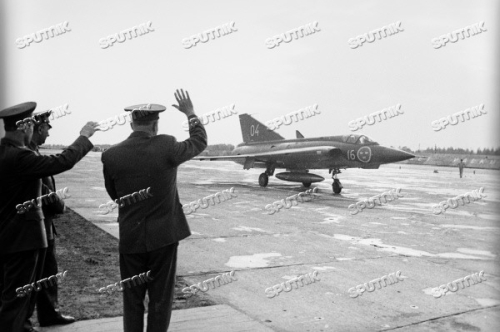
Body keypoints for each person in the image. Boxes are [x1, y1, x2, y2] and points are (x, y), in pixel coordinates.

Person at [101, 89, 207, 332]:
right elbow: (199, 142)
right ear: (155, 124)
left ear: (132, 123)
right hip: (164, 238)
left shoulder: (110, 155)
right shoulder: (167, 145)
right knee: (160, 299)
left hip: (131, 238)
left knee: (132, 300)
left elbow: (114, 194)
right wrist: (190, 113)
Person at [0, 102, 99, 332]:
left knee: (10, 296)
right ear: (25, 127)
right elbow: (62, 161)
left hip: (8, 236)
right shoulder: (20, 157)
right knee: (16, 301)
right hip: (22, 240)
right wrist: (84, 136)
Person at [26, 110, 75, 327]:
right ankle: (32, 318)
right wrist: (60, 205)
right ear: (38, 128)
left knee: (47, 273)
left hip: (44, 226)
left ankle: (49, 313)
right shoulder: (29, 155)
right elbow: (46, 193)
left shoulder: (33, 152)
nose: (48, 132)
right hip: (36, 227)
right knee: (36, 275)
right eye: (46, 128)